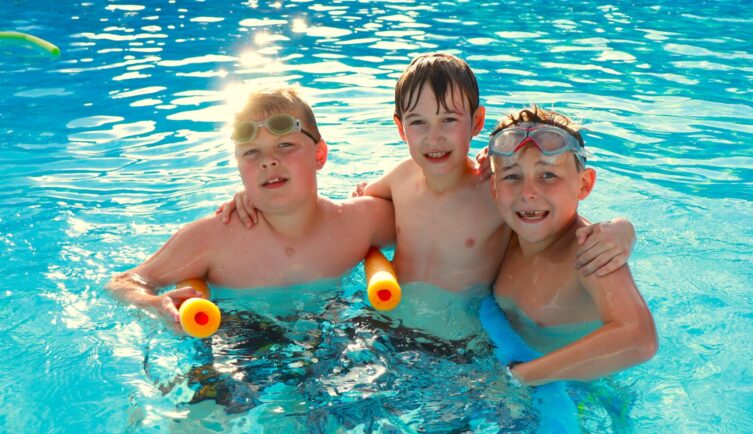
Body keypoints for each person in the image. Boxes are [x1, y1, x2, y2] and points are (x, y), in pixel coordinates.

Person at [219, 53, 636, 291]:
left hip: (463, 341)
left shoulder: (494, 188)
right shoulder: (399, 179)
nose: (434, 138)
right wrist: (257, 199)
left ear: (476, 123)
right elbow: (342, 209)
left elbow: (557, 218)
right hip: (390, 321)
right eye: (419, 123)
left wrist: (620, 229)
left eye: (449, 121)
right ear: (400, 128)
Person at [107, 86, 395, 327]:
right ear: (239, 167)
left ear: (319, 154)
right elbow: (124, 282)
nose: (267, 161)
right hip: (240, 342)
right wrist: (155, 304)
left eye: (284, 146)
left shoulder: (358, 221)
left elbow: (427, 216)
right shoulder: (215, 238)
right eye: (251, 152)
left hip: (334, 329)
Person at [487, 105, 658, 386]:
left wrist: (517, 377)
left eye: (548, 175)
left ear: (584, 184)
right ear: (495, 189)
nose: (528, 192)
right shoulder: (502, 234)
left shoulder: (591, 252)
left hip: (583, 394)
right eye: (512, 176)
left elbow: (640, 338)